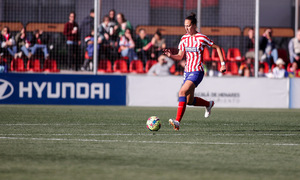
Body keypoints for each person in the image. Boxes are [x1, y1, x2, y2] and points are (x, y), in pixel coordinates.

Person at [163, 13, 226, 131]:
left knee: (182, 92)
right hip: (187, 72)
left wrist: (222, 64)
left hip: (197, 71)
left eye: (188, 26)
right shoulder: (184, 38)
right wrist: (171, 55)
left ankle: (177, 122)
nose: (186, 28)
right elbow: (180, 56)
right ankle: (208, 104)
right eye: (185, 26)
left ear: (194, 26)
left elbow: (217, 47)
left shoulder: (201, 37)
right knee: (189, 101)